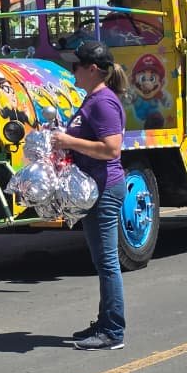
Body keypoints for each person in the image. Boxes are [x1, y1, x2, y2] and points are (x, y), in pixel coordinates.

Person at [51, 40, 128, 351]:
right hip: (95, 188)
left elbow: (112, 148)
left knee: (108, 262)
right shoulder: (92, 100)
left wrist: (69, 141)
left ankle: (113, 331)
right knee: (102, 261)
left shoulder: (103, 103)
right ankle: (105, 322)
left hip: (105, 188)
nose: (73, 72)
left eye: (77, 66)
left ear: (93, 70)